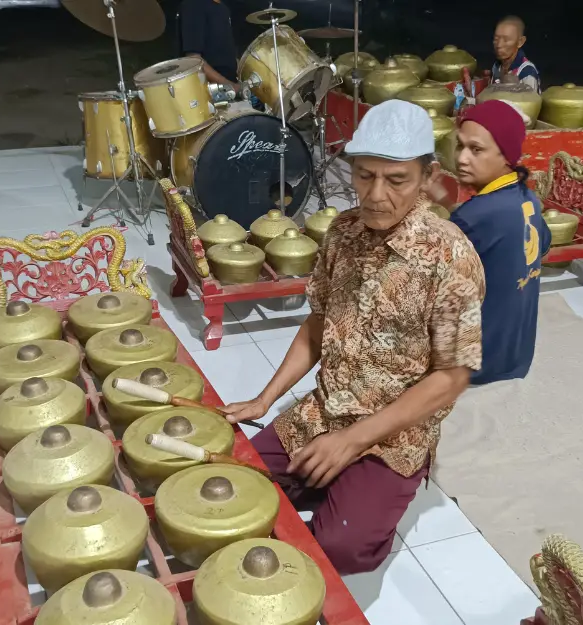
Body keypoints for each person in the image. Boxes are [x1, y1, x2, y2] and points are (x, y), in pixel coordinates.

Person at [222, 100, 485, 575]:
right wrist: (265, 400)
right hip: (324, 409)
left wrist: (351, 442)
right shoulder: (342, 234)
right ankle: (336, 477)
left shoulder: (451, 257)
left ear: (427, 176)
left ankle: (362, 482)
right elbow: (318, 323)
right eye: (364, 176)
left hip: (395, 434)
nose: (375, 194)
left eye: (396, 179)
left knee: (339, 547)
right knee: (237, 484)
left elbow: (451, 377)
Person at [428, 99, 551, 385]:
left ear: (506, 156)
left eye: (477, 149)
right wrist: (445, 199)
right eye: (460, 145)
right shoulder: (527, 198)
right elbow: (538, 243)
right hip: (516, 354)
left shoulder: (476, 216)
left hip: (478, 365)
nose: (461, 158)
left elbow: (429, 280)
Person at [178, 0, 239, 89]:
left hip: (230, 84)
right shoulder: (194, 5)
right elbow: (194, 59)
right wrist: (229, 86)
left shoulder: (223, 7)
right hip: (212, 91)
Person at [490, 15, 541, 93]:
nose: (499, 45)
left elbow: (531, 103)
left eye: (506, 40)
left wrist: (514, 87)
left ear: (520, 42)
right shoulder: (496, 67)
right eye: (496, 39)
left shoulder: (527, 73)